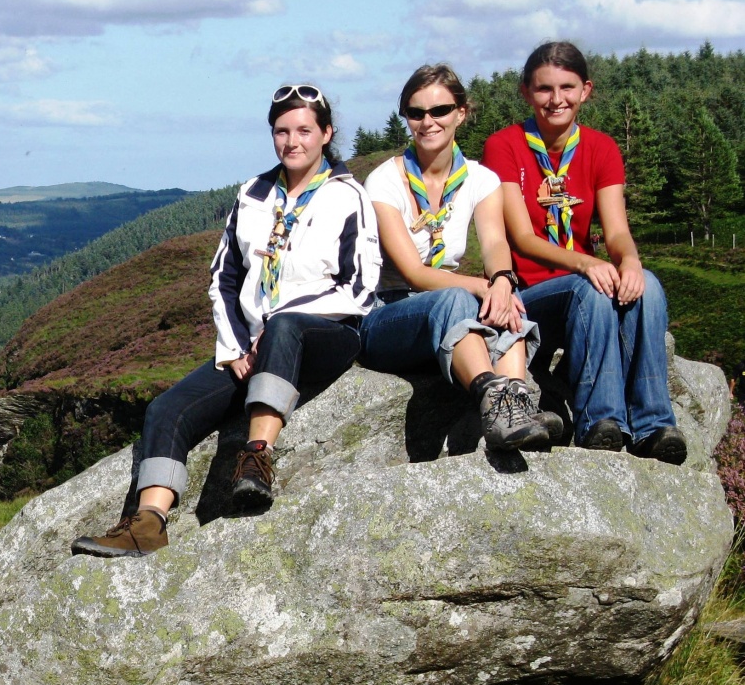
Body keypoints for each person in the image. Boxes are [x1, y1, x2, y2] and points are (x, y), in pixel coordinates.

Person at [72, 83, 379, 558]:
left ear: (326, 134)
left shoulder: (348, 196)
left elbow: (359, 286)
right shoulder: (253, 193)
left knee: (286, 327)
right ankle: (148, 523)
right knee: (166, 409)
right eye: (281, 131)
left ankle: (256, 461)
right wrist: (236, 345)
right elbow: (226, 275)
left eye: (303, 130)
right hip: (254, 344)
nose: (291, 141)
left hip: (327, 335)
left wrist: (278, 321)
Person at [483, 41, 686, 463]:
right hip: (534, 296)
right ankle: (600, 422)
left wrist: (629, 261)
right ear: (525, 92)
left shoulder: (601, 148)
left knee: (647, 284)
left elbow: (616, 231)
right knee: (589, 289)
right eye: (544, 89)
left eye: (567, 87)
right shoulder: (504, 145)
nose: (556, 99)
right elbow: (521, 237)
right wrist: (588, 263)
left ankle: (654, 425)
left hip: (583, 283)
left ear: (586, 90)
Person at [359, 63, 554, 451]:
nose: (427, 122)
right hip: (387, 313)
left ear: (460, 113)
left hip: (444, 302)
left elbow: (496, 243)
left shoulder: (481, 179)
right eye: (416, 113)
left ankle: (516, 402)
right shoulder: (383, 181)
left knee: (508, 300)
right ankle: (495, 401)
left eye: (440, 111)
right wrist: (482, 286)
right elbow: (414, 273)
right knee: (458, 298)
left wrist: (501, 281)